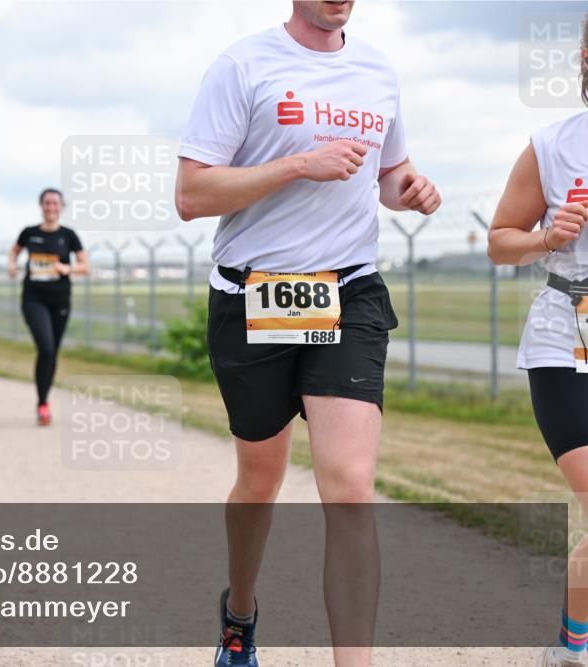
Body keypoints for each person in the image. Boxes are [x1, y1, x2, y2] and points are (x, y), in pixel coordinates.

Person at [175, 2, 441, 665]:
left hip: (348, 291)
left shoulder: (378, 70)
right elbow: (191, 194)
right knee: (260, 480)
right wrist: (298, 164)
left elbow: (388, 175)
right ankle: (239, 613)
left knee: (349, 484)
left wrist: (408, 188)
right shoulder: (244, 66)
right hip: (252, 294)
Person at [487, 17, 587, 667]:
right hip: (565, 339)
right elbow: (500, 240)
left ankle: (572, 644)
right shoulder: (553, 145)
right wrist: (548, 237)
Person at [8, 189, 89, 425]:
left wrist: (69, 269)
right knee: (45, 347)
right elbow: (13, 253)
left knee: (52, 351)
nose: (51, 206)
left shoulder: (68, 235)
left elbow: (85, 265)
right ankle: (42, 403)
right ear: (41, 206)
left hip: (60, 299)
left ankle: (44, 401)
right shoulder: (29, 233)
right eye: (47, 202)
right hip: (33, 298)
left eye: (55, 202)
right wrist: (12, 266)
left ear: (61, 206)